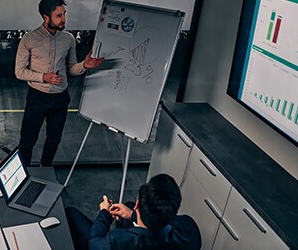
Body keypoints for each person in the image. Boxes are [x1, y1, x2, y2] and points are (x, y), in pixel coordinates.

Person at [15, 0, 104, 167]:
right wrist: (44, 77)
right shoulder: (29, 39)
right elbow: (19, 72)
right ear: (45, 17)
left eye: (64, 14)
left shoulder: (68, 39)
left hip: (60, 99)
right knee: (27, 141)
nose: (64, 19)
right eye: (59, 15)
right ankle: (23, 178)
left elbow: (70, 68)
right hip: (37, 98)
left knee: (54, 139)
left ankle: (46, 169)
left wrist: (84, 65)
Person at [65, 174, 202, 250]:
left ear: (138, 203)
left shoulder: (117, 240)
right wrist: (132, 214)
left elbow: (93, 244)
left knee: (71, 213)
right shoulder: (189, 228)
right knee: (126, 207)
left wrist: (105, 213)